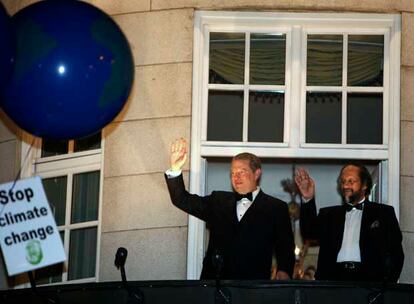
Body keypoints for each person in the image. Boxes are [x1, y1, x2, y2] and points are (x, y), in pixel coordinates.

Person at [165, 138, 295, 280]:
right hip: (215, 286)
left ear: (257, 173)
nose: (236, 177)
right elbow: (182, 200)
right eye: (233, 173)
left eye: (242, 171)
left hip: (253, 289)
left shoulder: (276, 208)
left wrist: (284, 270)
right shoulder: (218, 201)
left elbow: (286, 246)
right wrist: (175, 169)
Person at [295, 164, 404, 282]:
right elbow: (309, 232)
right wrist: (307, 198)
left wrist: (386, 287)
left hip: (369, 283)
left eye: (351, 181)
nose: (346, 185)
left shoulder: (384, 213)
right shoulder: (329, 214)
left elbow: (396, 254)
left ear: (365, 185)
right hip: (332, 280)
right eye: (343, 181)